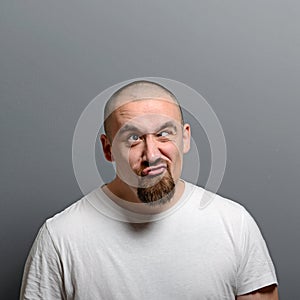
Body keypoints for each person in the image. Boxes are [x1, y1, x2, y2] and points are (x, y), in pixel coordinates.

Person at [20, 80, 278, 299]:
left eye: (164, 134)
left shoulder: (235, 224)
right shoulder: (60, 238)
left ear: (185, 138)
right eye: (133, 138)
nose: (151, 154)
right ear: (108, 148)